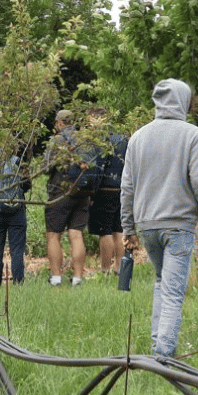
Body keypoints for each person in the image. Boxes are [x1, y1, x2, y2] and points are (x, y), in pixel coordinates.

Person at [121, 79, 198, 359]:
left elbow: (127, 187)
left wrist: (128, 227)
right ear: (184, 101)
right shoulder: (192, 134)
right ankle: (164, 356)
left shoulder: (138, 137)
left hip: (147, 225)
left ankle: (159, 346)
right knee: (173, 292)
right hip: (178, 224)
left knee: (161, 282)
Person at [43, 110, 92, 286]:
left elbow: (46, 167)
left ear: (60, 123)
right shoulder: (85, 139)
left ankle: (56, 278)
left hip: (61, 192)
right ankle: (77, 278)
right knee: (76, 234)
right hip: (82, 192)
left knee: (53, 235)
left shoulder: (57, 140)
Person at [86, 107, 128, 276]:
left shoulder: (101, 140)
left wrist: (91, 193)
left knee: (105, 231)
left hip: (104, 189)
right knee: (119, 230)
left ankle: (105, 270)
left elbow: (97, 168)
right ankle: (119, 268)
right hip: (122, 188)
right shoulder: (121, 138)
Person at [0, 150, 27, 286]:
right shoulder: (18, 161)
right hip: (16, 211)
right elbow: (26, 184)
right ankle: (18, 281)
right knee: (17, 249)